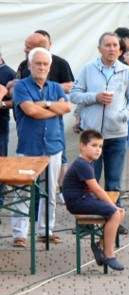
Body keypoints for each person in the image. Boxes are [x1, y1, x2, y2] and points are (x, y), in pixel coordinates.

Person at [9, 47, 72, 247]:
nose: (42, 67)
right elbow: (30, 111)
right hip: (29, 148)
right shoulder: (21, 87)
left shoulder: (55, 87)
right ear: (29, 65)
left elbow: (67, 107)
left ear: (49, 66)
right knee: (22, 192)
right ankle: (20, 234)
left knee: (50, 192)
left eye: (45, 64)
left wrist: (42, 103)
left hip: (53, 147)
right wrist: (53, 106)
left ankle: (46, 230)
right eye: (37, 63)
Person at [70, 32, 129, 201]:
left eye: (115, 45)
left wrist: (122, 116)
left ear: (120, 49)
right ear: (99, 49)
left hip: (117, 134)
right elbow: (74, 95)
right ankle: (88, 222)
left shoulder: (125, 71)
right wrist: (95, 97)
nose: (112, 49)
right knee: (90, 181)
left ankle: (113, 221)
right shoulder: (88, 69)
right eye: (108, 45)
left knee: (114, 183)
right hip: (92, 135)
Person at [62, 129, 127, 270]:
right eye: (94, 145)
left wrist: (114, 206)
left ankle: (99, 246)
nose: (98, 150)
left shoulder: (88, 162)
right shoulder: (82, 164)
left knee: (121, 212)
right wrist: (113, 206)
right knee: (115, 212)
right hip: (78, 202)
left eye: (100, 146)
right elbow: (97, 190)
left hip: (85, 198)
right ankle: (109, 255)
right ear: (82, 146)